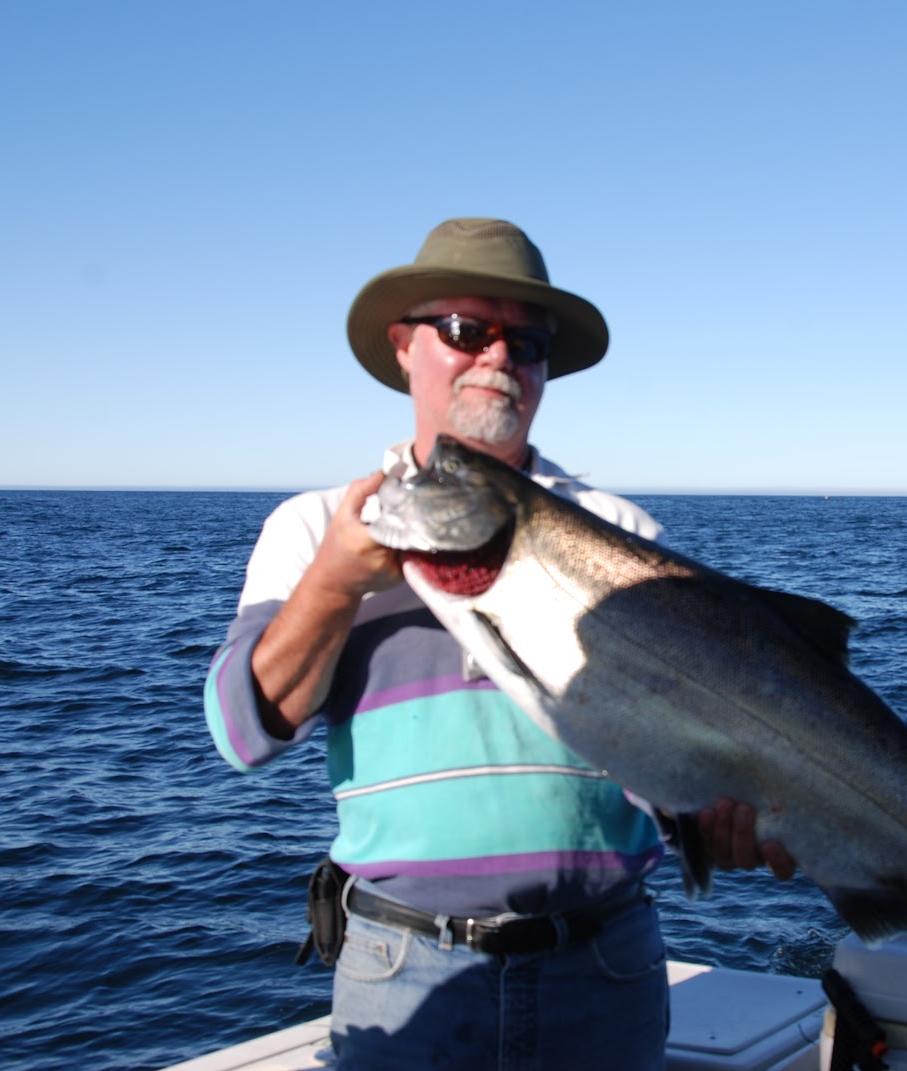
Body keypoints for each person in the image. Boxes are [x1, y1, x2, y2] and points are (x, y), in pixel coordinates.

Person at [205, 218, 791, 1071]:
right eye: (465, 329)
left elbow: (656, 758)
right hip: (404, 968)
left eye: (528, 341)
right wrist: (334, 581)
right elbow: (241, 731)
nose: (498, 356)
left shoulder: (621, 534)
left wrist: (712, 816)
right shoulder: (313, 527)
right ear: (403, 346)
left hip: (604, 965)